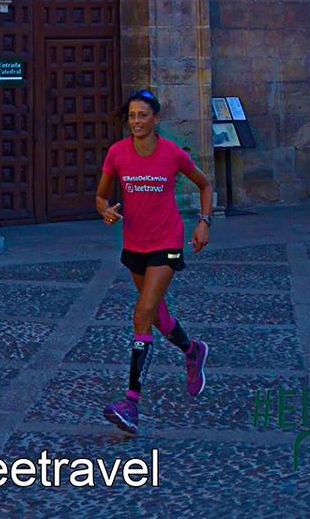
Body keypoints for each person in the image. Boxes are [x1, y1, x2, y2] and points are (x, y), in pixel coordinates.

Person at [94, 88, 213, 435]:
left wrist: (204, 221)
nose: (136, 122)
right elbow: (101, 196)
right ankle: (193, 351)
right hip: (134, 243)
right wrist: (106, 211)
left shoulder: (172, 153)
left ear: (156, 118)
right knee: (157, 314)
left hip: (167, 241)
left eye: (143, 115)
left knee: (143, 312)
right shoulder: (117, 153)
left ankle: (131, 402)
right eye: (132, 116)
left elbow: (204, 184)